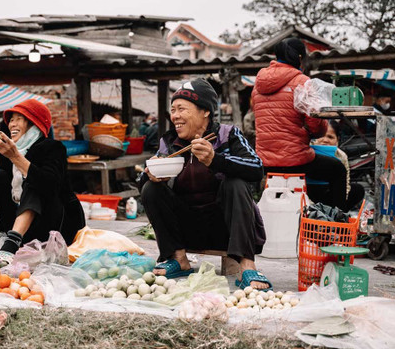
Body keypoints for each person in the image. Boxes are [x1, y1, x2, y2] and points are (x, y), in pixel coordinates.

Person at [140, 79, 271, 290]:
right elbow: (143, 184)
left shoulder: (228, 135)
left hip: (226, 230)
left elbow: (257, 168)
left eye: (182, 109)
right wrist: (150, 175)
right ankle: (178, 259)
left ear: (205, 111)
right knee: (150, 188)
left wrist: (216, 160)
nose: (175, 116)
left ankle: (248, 266)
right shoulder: (169, 142)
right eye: (173, 110)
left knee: (235, 183)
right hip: (188, 230)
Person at [0, 99, 85, 264]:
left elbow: (49, 185)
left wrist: (16, 157)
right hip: (19, 224)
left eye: (18, 119)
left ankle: (11, 243)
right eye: (11, 120)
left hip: (53, 225)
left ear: (33, 122)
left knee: (33, 177)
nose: (12, 124)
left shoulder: (53, 148)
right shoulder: (7, 151)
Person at [252, 38, 347, 210]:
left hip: (265, 162)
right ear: (300, 57)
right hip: (295, 160)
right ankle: (335, 221)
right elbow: (317, 128)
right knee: (338, 169)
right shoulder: (303, 82)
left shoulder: (257, 85)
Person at [311, 122, 365, 212]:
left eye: (330, 137)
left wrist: (340, 205)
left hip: (332, 196)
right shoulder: (309, 152)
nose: (325, 140)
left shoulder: (341, 156)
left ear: (337, 140)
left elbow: (346, 184)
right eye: (321, 136)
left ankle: (335, 216)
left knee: (357, 190)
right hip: (311, 196)